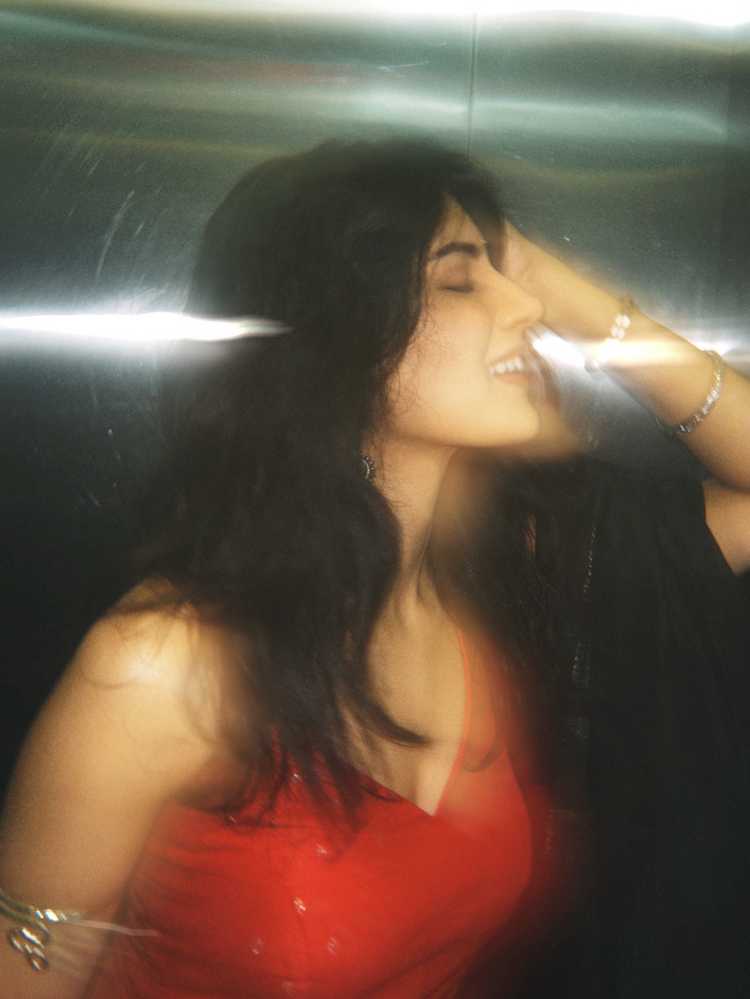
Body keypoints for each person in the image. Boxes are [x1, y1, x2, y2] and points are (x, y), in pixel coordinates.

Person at [1, 138, 749, 999]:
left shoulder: (507, 590)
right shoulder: (166, 664)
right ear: (340, 339)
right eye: (460, 280)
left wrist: (585, 307)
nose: (525, 305)